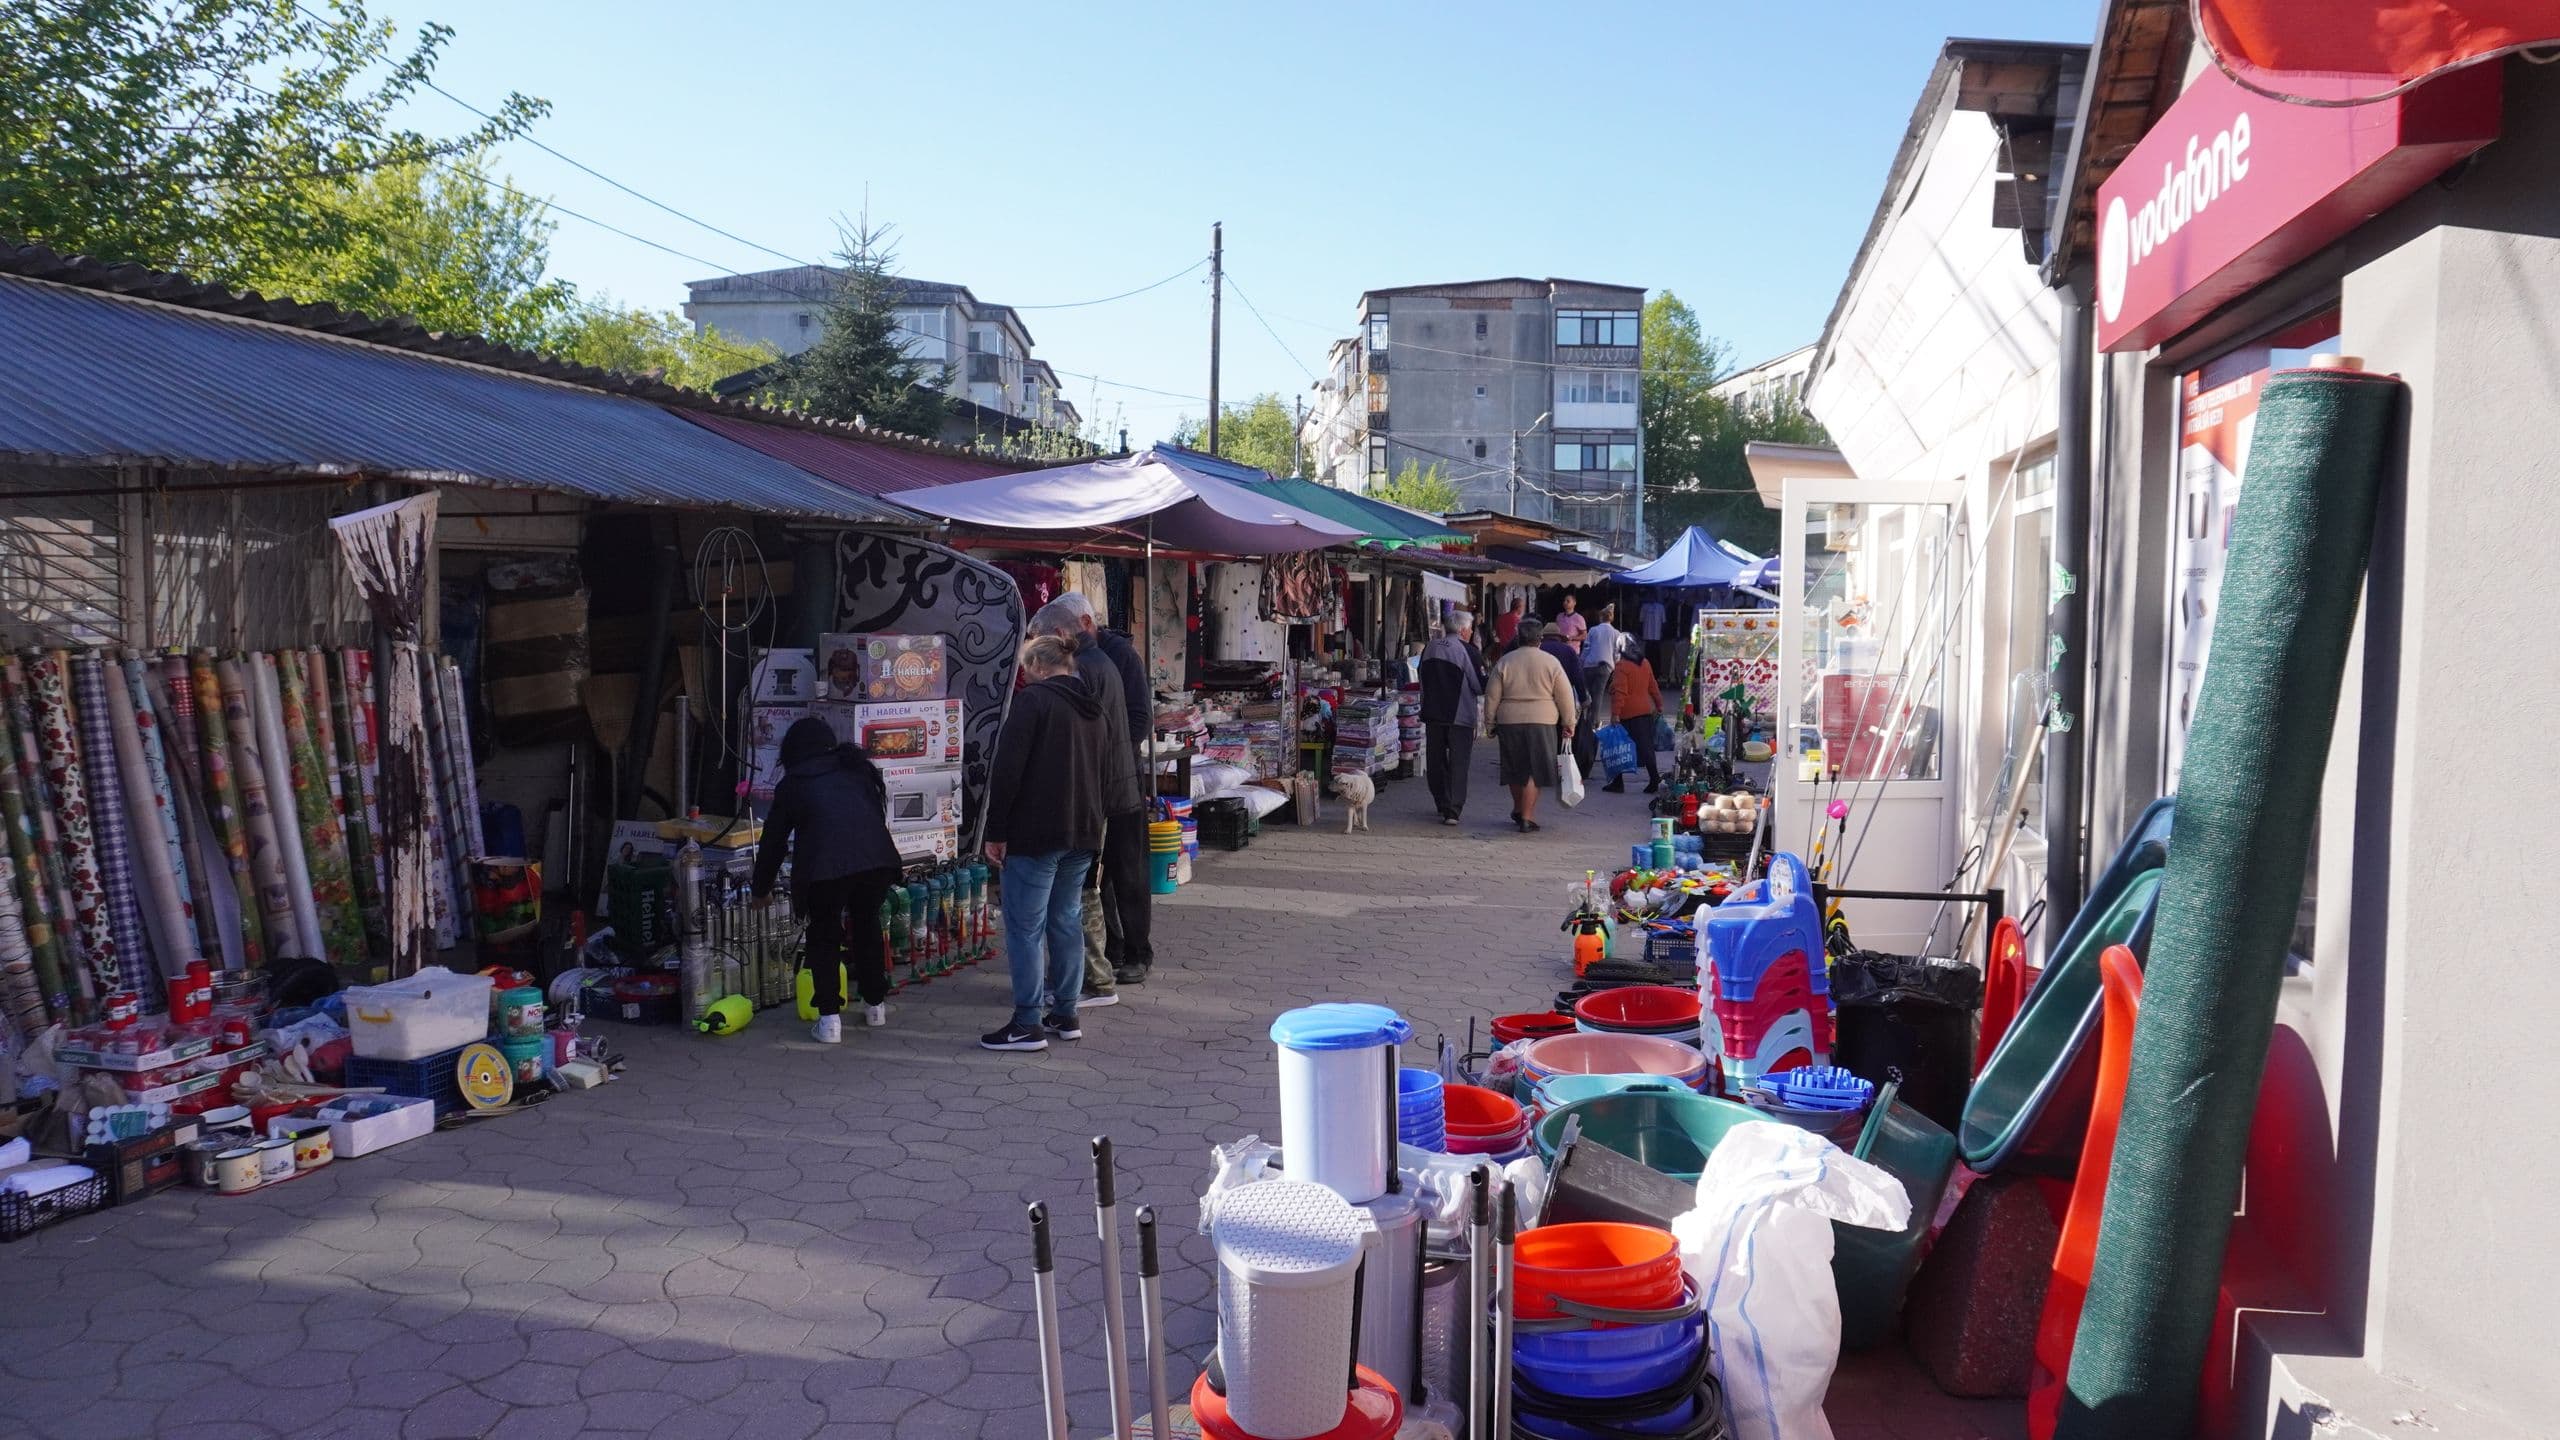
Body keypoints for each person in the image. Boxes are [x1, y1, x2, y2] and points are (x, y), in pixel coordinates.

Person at [980, 635, 1108, 1052]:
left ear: (1035, 664)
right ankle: (1066, 1011)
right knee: (1066, 918)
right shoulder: (1093, 708)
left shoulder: (1033, 702)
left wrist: (995, 831)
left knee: (1025, 927)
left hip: (1037, 831)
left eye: (1024, 667)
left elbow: (1008, 770)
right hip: (1083, 828)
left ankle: (1026, 1021)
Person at [751, 717, 901, 1044]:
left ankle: (830, 1020)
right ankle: (875, 1006)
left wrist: (760, 890)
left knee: (824, 935)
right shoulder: (857, 769)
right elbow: (872, 816)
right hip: (876, 861)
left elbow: (773, 842)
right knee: (866, 925)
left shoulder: (794, 783)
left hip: (824, 868)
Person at [1028, 598, 1142, 1009]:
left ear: (1061, 636)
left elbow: (1079, 743)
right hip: (1097, 794)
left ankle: (1092, 980)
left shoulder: (1086, 670)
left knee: (1080, 893)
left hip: (1091, 797)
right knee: (1082, 891)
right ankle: (1088, 978)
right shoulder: (1099, 664)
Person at [1054, 592, 1155, 986]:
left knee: (1128, 870)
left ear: (1084, 622)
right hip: (1093, 785)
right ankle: (1110, 947)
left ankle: (1138, 952)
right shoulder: (1079, 658)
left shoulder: (1118, 656)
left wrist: (1110, 754)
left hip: (1121, 781)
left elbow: (1139, 718)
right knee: (1097, 876)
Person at [1484, 618, 1577, 833]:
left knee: (1514, 768)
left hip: (1509, 720)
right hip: (1542, 721)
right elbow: (1564, 696)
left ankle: (1518, 808)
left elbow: (1491, 696)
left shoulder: (1505, 661)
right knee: (1535, 770)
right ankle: (1527, 816)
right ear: (1540, 639)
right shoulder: (1551, 662)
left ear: (1518, 638)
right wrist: (1569, 722)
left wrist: (1489, 723)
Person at [1418, 610, 1486, 825]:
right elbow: (1478, 685)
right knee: (1459, 762)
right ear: (1464, 630)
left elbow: (1421, 679)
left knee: (1435, 760)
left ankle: (1441, 801)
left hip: (1432, 713)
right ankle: (1453, 810)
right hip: (1460, 716)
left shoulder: (1429, 648)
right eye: (1471, 628)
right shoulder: (1469, 651)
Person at [1602, 635, 1667, 795]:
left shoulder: (1621, 666)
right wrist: (1659, 704)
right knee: (1646, 748)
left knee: (1618, 748)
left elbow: (1620, 692)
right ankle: (1654, 779)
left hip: (1627, 713)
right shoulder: (1644, 663)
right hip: (1645, 711)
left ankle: (1618, 783)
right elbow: (1653, 685)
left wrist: (1615, 714)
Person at [1580, 603, 1624, 718]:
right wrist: (1615, 668)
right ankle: (1594, 721)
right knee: (1598, 694)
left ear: (1601, 617)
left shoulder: (1593, 630)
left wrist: (1581, 662)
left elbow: (1586, 648)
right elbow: (1617, 653)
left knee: (1587, 694)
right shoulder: (1616, 633)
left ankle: (1584, 718)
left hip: (1589, 665)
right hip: (1605, 666)